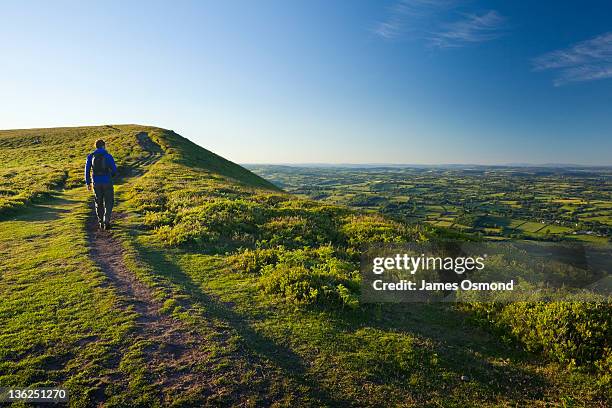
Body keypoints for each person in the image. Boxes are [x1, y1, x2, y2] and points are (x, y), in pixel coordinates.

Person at [85, 139, 118, 229]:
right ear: (103, 146)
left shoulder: (90, 156)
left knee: (98, 202)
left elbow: (87, 170)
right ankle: (106, 220)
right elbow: (114, 170)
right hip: (107, 181)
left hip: (96, 182)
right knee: (109, 201)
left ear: (96, 146)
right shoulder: (108, 156)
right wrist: (111, 176)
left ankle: (101, 222)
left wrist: (88, 182)